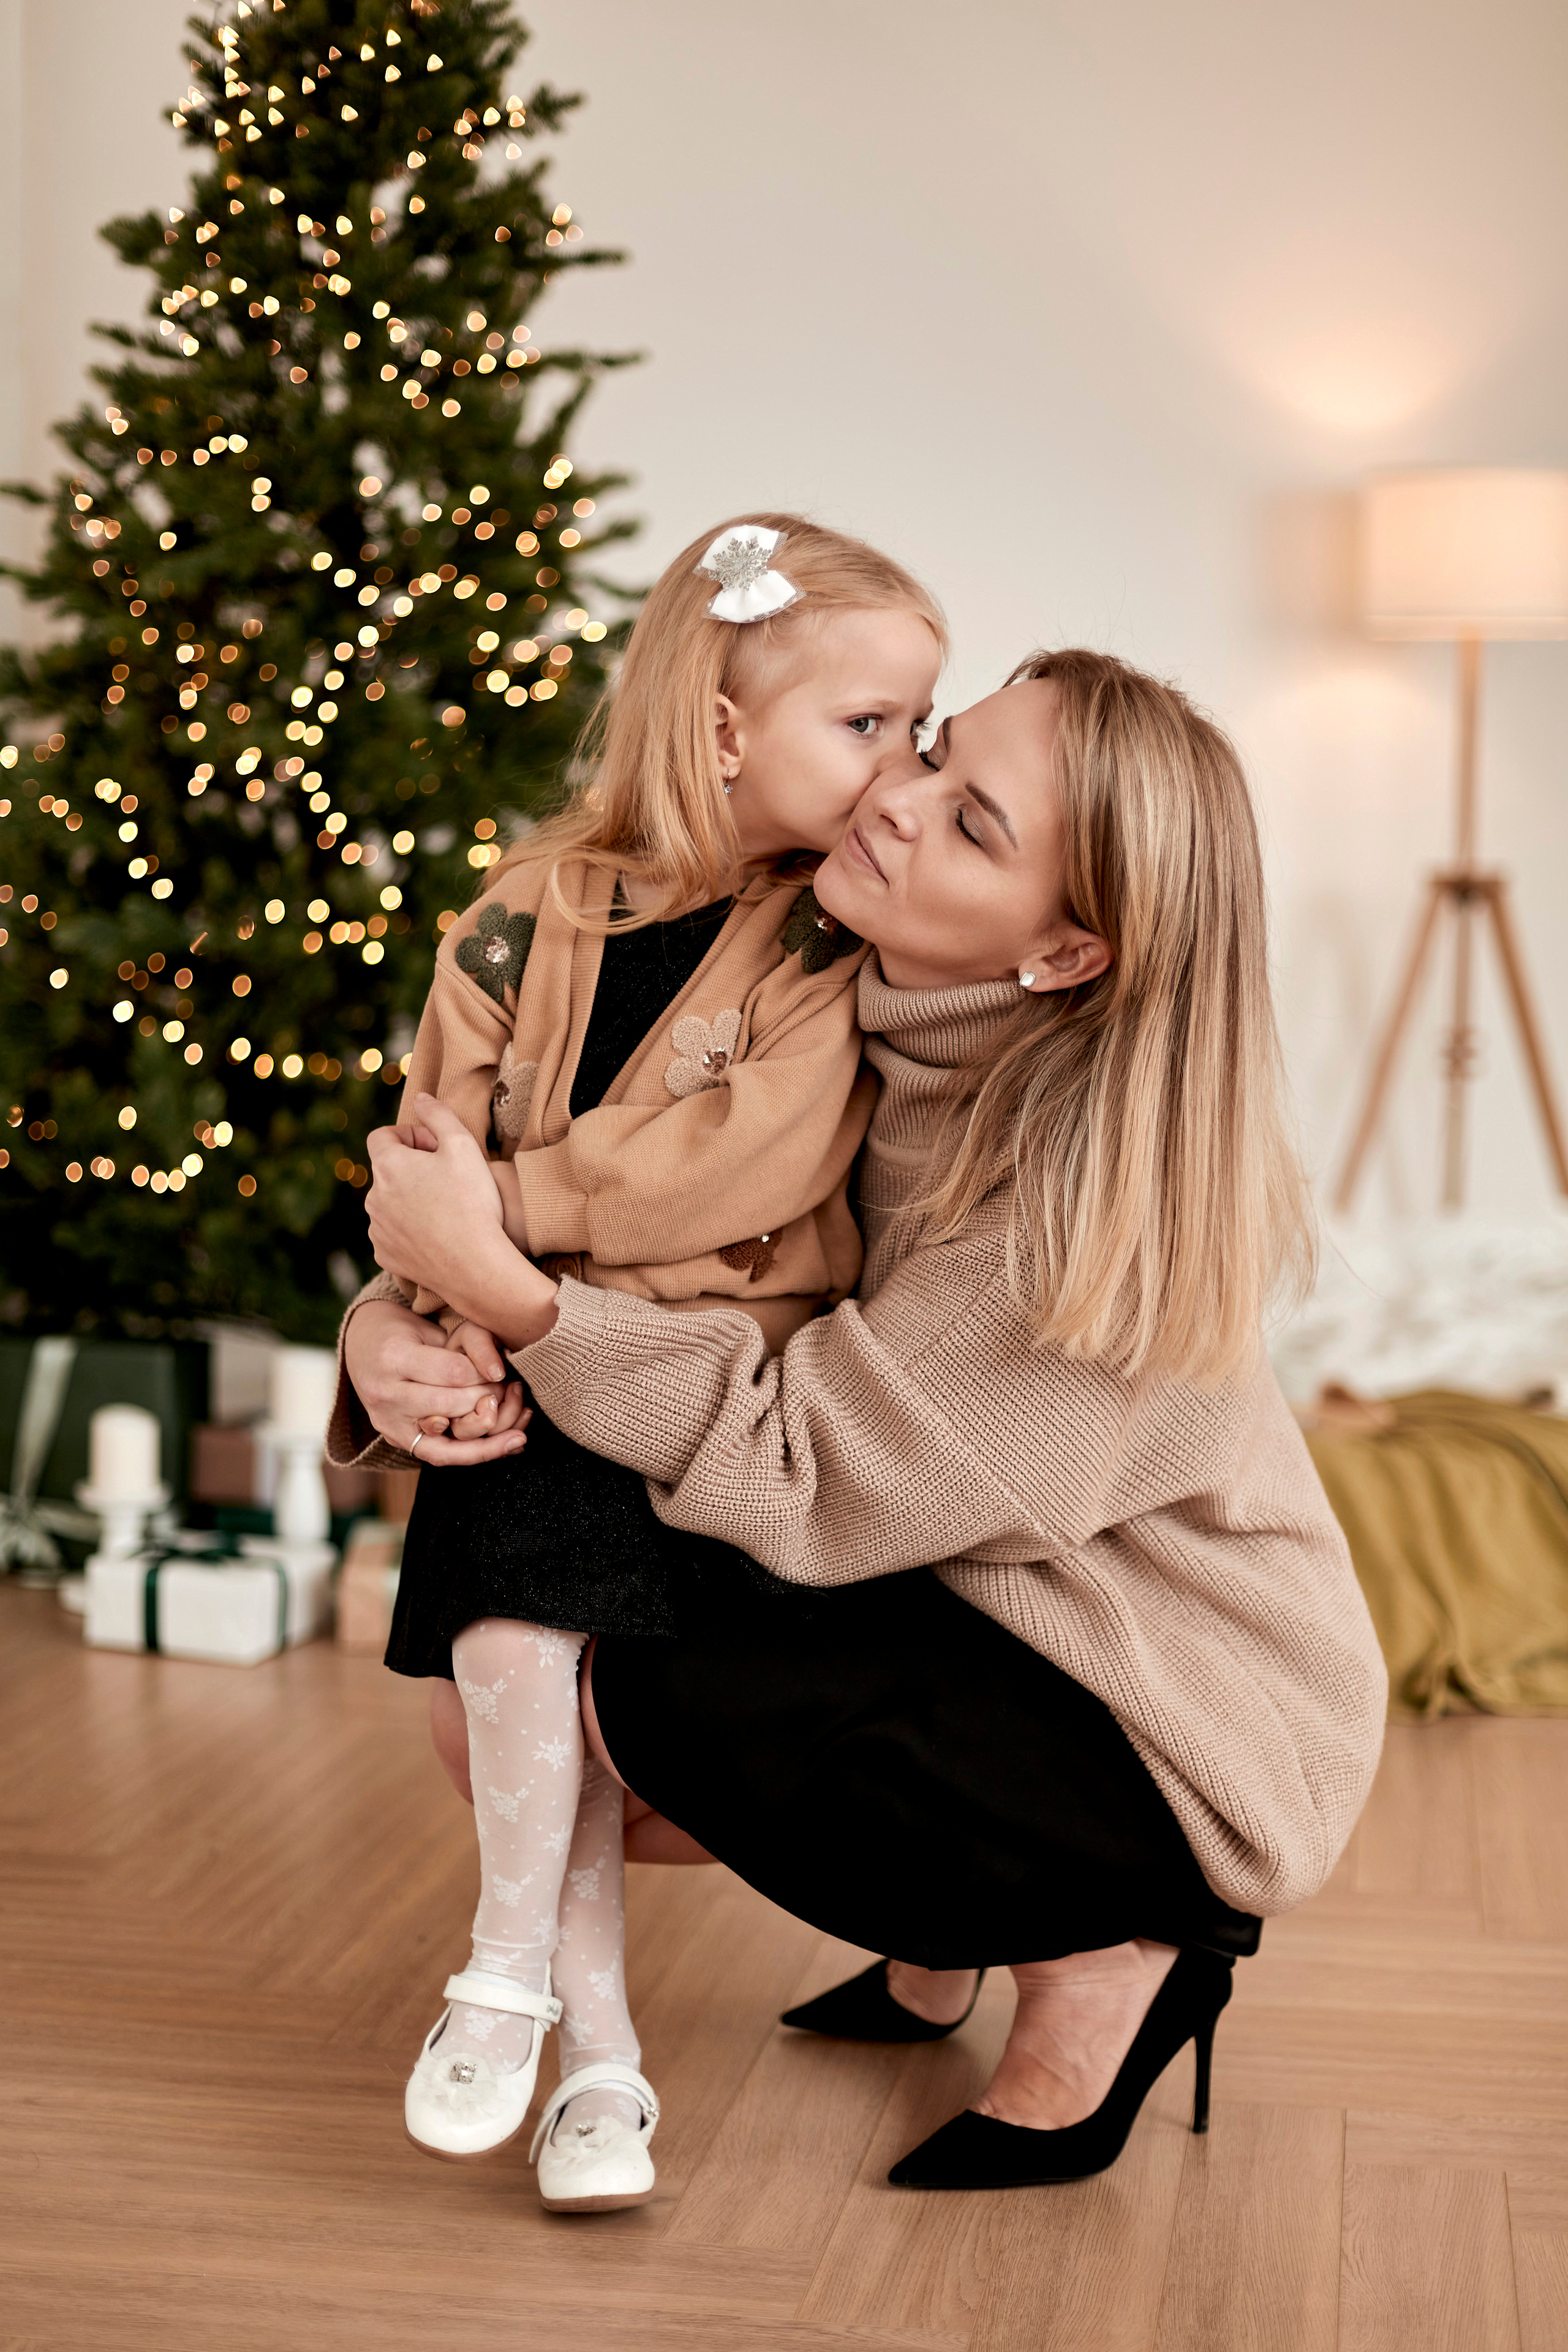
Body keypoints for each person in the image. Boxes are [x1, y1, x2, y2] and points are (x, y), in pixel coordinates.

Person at [350, 647, 1389, 2193]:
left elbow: (801, 1475)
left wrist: (512, 1302)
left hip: (1169, 1726)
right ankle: (916, 1943)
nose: (893, 801)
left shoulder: (1061, 1208)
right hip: (978, 1596)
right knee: (527, 1599)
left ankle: (1109, 1947)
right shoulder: (834, 1009)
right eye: (928, 751)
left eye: (973, 824)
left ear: (1062, 955)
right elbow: (621, 1235)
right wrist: (395, 1335)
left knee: (625, 1688)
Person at [329, 513, 944, 2211]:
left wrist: (502, 1224)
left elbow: (748, 1168)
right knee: (529, 1618)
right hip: (531, 1366)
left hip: (698, 1381)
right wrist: (424, 1317)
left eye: (921, 727)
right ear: (729, 728)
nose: (903, 773)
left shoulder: (834, 944)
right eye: (868, 726)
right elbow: (424, 1142)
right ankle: (591, 2058)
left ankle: (515, 1978)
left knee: (539, 1625)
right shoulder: (526, 915)